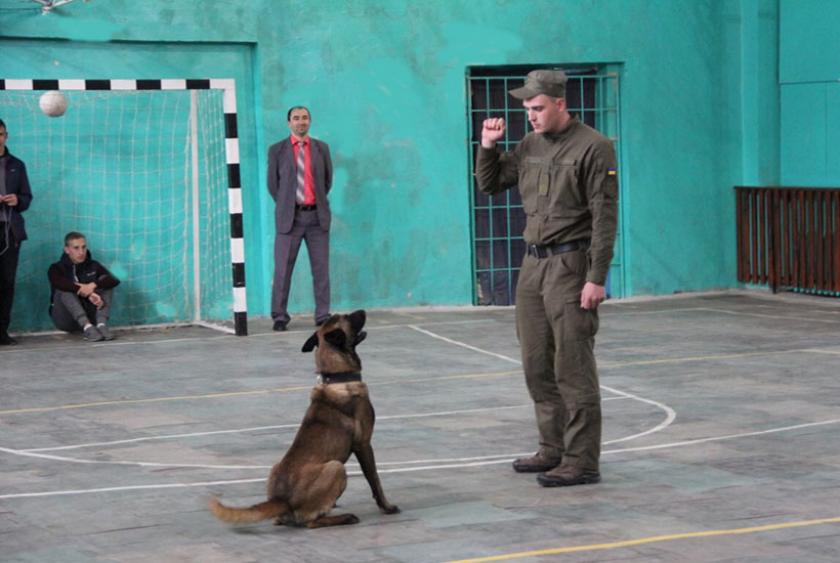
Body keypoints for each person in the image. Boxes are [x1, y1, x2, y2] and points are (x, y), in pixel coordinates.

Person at [475, 70, 619, 487]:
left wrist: (596, 277)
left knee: (572, 365)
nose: (531, 116)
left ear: (560, 103)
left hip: (571, 265)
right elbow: (490, 184)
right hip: (533, 266)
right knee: (536, 363)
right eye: (527, 109)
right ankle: (552, 448)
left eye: (537, 108)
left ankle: (582, 460)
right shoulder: (530, 144)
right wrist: (488, 145)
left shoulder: (594, 146)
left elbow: (604, 217)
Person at [267, 106, 333, 331]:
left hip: (317, 218)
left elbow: (327, 181)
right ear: (289, 123)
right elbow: (273, 185)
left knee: (321, 270)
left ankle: (323, 315)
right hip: (290, 219)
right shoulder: (277, 150)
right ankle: (279, 316)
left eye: (304, 118)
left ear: (310, 121)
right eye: (296, 118)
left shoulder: (322, 149)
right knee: (282, 270)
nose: (301, 122)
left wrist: (313, 201)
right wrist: (288, 204)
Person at [48, 232, 120, 342]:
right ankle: (86, 326)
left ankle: (101, 324)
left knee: (105, 282)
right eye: (76, 248)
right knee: (64, 289)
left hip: (91, 316)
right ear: (67, 250)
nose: (81, 252)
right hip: (65, 319)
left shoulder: (94, 265)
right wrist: (86, 291)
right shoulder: (56, 268)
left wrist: (93, 286)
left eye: (83, 247)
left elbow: (114, 280)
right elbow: (58, 282)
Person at [0, 118, 33, 346]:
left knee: (7, 282)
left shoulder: (17, 165)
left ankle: (2, 331)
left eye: (1, 134)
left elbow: (27, 197)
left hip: (10, 231)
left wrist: (17, 200)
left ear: (6, 136)